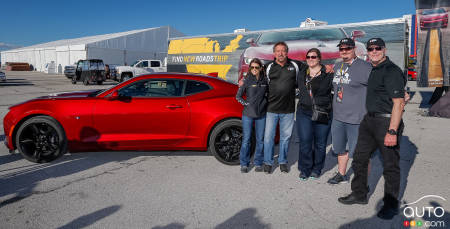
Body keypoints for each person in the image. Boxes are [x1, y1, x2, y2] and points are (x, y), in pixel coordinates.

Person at [338, 38, 406, 220]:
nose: (374, 51)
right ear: (366, 51)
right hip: (369, 121)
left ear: (384, 49)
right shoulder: (374, 69)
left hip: (386, 122)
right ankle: (359, 194)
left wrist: (392, 131)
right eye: (370, 48)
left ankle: (391, 205)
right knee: (359, 158)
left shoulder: (391, 70)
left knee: (390, 165)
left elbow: (398, 103)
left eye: (377, 48)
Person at [327, 38, 372, 184]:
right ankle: (341, 174)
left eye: (347, 48)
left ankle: (362, 182)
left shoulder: (365, 67)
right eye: (341, 49)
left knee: (361, 153)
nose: (344, 51)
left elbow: (380, 84)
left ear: (354, 49)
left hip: (357, 119)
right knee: (340, 149)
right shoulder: (338, 65)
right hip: (338, 117)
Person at [262, 41, 305, 174]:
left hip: (288, 110)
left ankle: (282, 161)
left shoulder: (295, 65)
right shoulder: (268, 67)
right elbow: (259, 80)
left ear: (287, 52)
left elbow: (311, 68)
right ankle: (268, 162)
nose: (280, 53)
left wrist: (325, 68)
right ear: (274, 53)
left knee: (285, 138)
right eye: (278, 51)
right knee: (268, 138)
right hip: (271, 109)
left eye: (283, 51)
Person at [296, 48, 333, 180]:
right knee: (305, 142)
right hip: (304, 112)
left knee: (320, 144)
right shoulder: (301, 73)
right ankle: (305, 169)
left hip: (323, 112)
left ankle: (317, 169)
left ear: (319, 58)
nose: (310, 59)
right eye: (308, 57)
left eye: (313, 57)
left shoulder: (328, 73)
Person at [236, 58, 268, 173]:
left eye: (257, 67)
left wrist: (266, 104)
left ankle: (258, 162)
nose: (254, 69)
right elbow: (238, 96)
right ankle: (244, 163)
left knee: (260, 140)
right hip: (248, 115)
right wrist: (246, 104)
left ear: (261, 68)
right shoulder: (246, 80)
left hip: (261, 115)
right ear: (250, 68)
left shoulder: (265, 80)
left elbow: (268, 95)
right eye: (252, 67)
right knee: (246, 140)